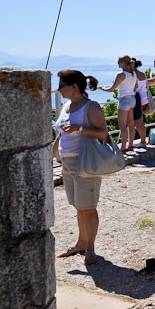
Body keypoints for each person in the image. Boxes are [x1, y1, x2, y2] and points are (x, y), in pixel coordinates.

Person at [53, 70, 107, 266]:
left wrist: (81, 129)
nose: (58, 89)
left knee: (88, 208)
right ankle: (81, 243)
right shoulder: (67, 106)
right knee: (78, 206)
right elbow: (62, 133)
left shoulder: (90, 107)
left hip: (85, 162)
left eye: (61, 85)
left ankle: (90, 248)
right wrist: (52, 151)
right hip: (66, 162)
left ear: (74, 87)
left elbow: (103, 135)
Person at [99, 55, 138, 152]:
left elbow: (112, 89)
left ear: (124, 63)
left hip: (124, 99)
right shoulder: (133, 74)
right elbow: (135, 87)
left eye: (119, 61)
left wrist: (102, 88)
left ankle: (123, 147)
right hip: (132, 99)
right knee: (131, 124)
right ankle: (131, 145)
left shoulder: (121, 75)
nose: (118, 63)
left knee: (122, 126)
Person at [131, 58, 149, 148]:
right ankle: (142, 140)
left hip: (138, 101)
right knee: (140, 122)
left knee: (137, 123)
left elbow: (133, 88)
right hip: (144, 100)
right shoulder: (142, 74)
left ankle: (142, 141)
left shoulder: (132, 75)